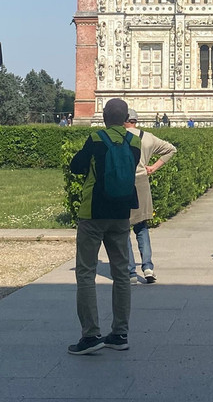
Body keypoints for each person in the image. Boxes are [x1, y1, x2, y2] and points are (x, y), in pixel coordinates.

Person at [66, 98, 142, 354]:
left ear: (104, 116)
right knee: (121, 273)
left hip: (93, 212)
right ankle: (120, 333)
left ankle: (90, 335)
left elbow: (76, 166)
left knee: (86, 272)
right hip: (121, 212)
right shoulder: (135, 142)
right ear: (125, 118)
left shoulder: (96, 139)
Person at [125, 108, 177, 284]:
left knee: (123, 228)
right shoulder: (147, 137)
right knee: (142, 227)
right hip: (142, 183)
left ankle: (131, 273)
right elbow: (171, 149)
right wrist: (154, 167)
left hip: (122, 184)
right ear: (135, 120)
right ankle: (147, 267)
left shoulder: (116, 137)